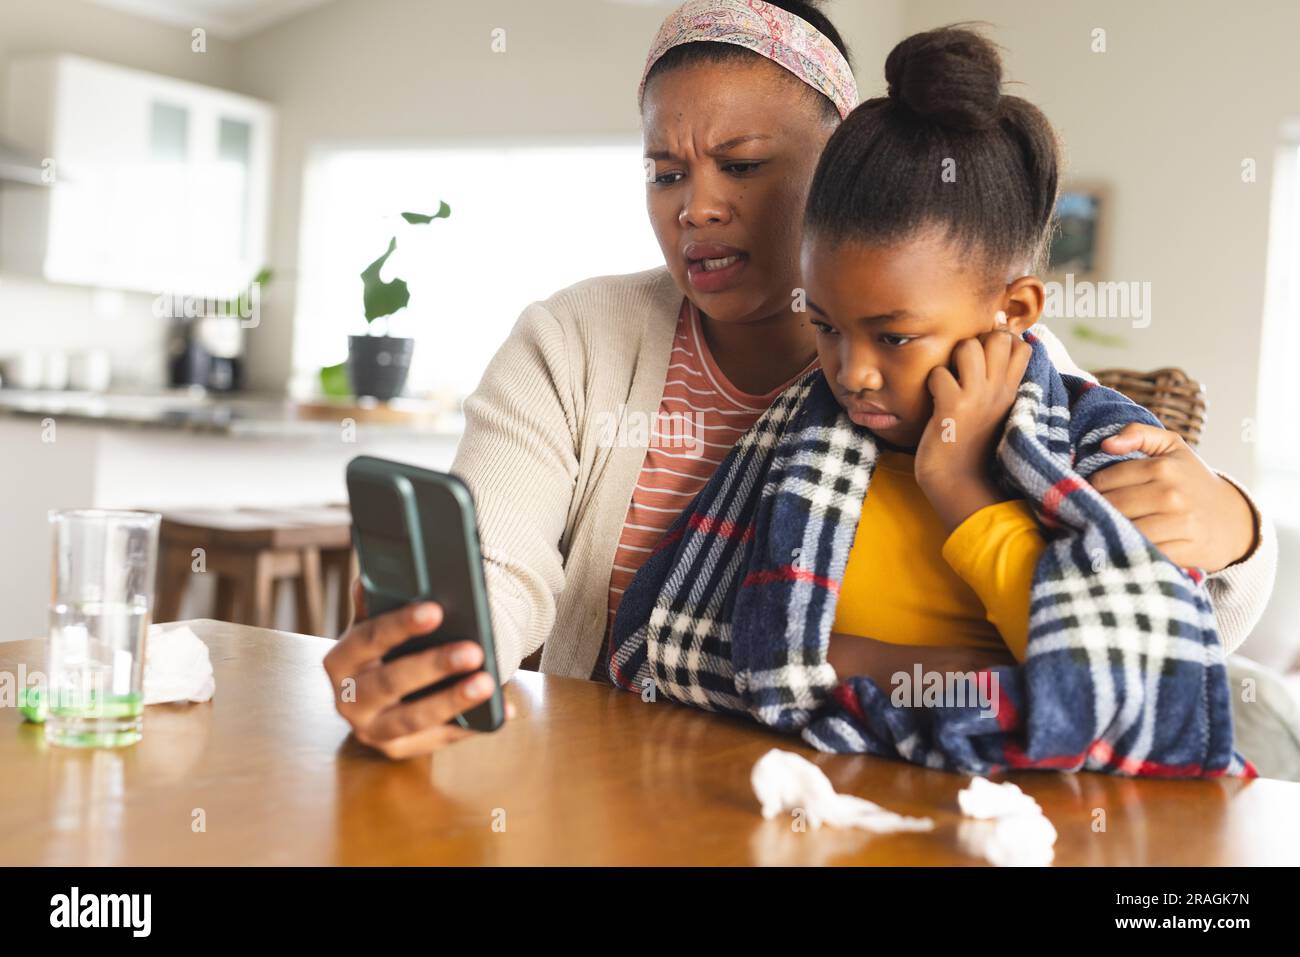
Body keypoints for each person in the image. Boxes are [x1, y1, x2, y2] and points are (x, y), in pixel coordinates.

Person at [323, 0, 1275, 759]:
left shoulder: (998, 366)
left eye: (741, 164)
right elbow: (496, 568)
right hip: (618, 788)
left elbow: (1167, 635)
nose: (696, 206)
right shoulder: (575, 340)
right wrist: (434, 661)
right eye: (663, 172)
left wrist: (1237, 525)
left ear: (838, 168)